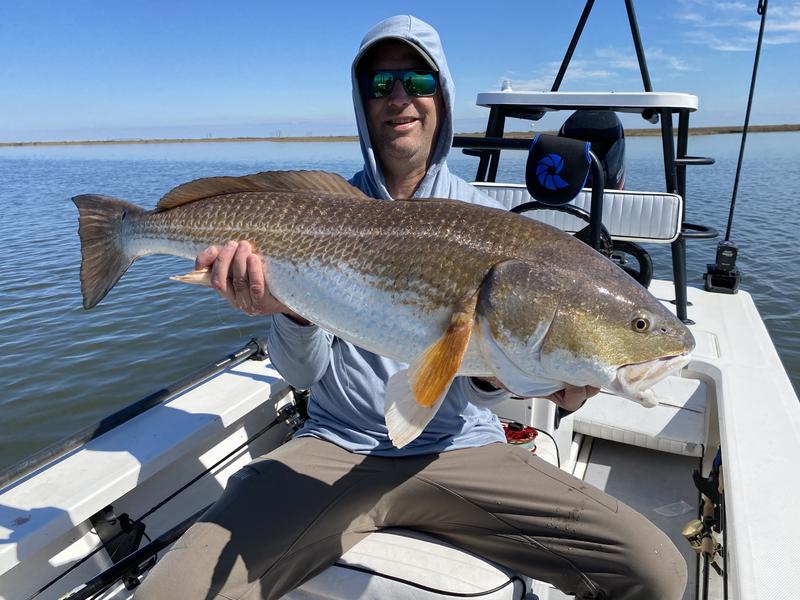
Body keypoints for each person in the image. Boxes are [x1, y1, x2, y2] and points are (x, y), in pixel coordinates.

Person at [136, 15, 687, 600]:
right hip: (332, 446)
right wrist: (292, 309)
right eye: (380, 85)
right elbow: (302, 376)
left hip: (462, 451)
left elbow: (482, 386)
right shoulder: (318, 211)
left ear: (442, 96)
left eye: (417, 81)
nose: (399, 98)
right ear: (362, 102)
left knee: (656, 571)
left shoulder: (491, 224)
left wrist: (543, 377)